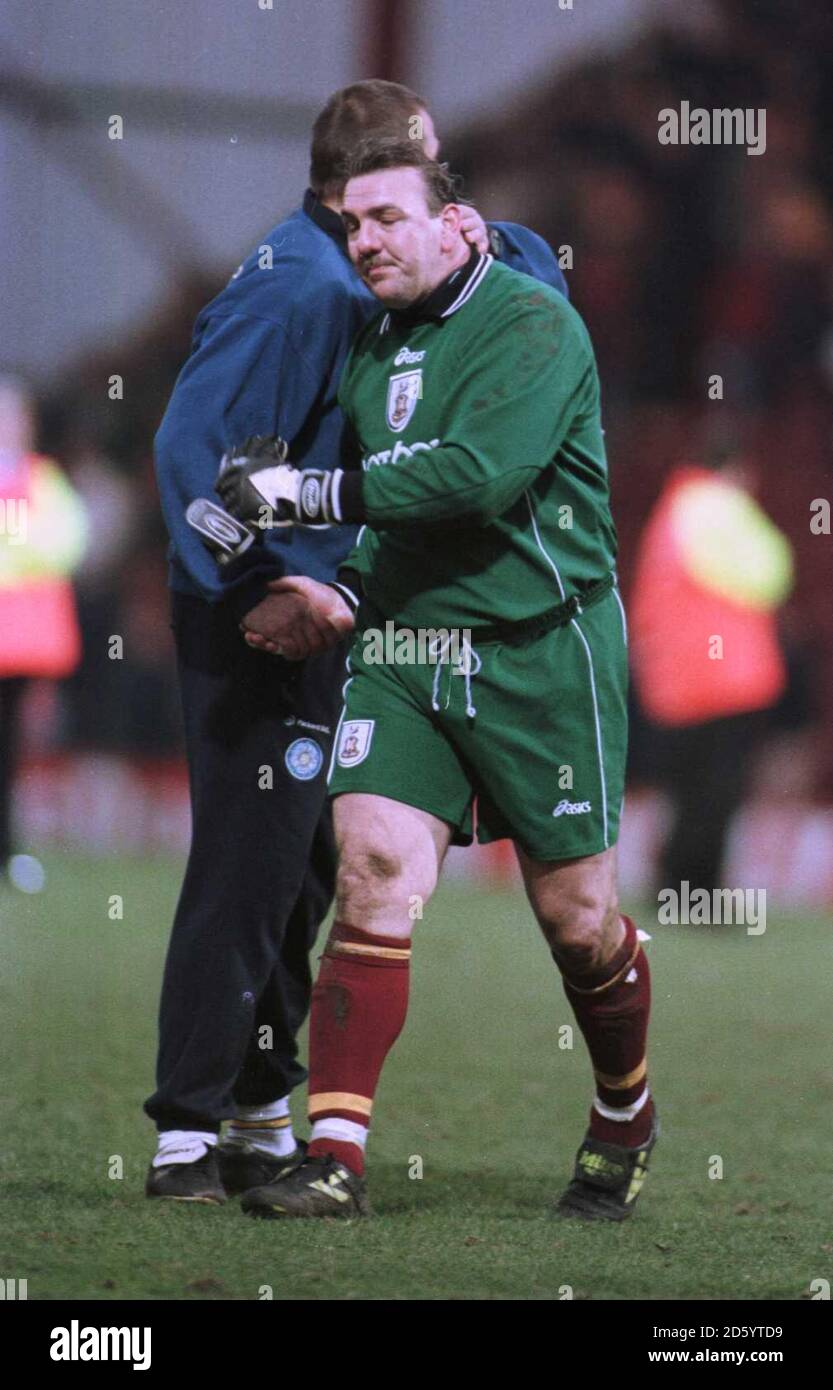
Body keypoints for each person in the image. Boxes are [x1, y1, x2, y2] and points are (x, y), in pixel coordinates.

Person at [216, 139, 657, 1223]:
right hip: (412, 655)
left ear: (454, 223)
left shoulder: (530, 323)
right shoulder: (373, 349)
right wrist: (346, 598)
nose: (363, 241)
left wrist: (306, 493)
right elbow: (402, 531)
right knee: (368, 865)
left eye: (385, 218)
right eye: (348, 225)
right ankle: (336, 1156)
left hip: (541, 656)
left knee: (579, 923)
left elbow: (474, 478)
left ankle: (623, 1112)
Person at [146, 81, 570, 1203]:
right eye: (432, 167)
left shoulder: (352, 269)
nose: (448, 187)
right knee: (253, 861)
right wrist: (253, 582)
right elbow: (195, 452)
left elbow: (507, 284)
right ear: (363, 188)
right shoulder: (305, 290)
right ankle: (184, 1131)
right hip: (262, 613)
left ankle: (252, 1109)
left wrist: (505, 242)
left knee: (300, 863)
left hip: (323, 606)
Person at [628, 445, 793, 894]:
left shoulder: (672, 510)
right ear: (735, 470)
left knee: (684, 794)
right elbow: (770, 573)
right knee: (716, 795)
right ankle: (698, 896)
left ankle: (671, 888)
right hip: (725, 681)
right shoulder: (718, 505)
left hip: (675, 682)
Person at [0, 376, 87, 891]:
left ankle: (9, 849)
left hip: (24, 647)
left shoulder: (41, 478)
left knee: (12, 753)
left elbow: (67, 541)